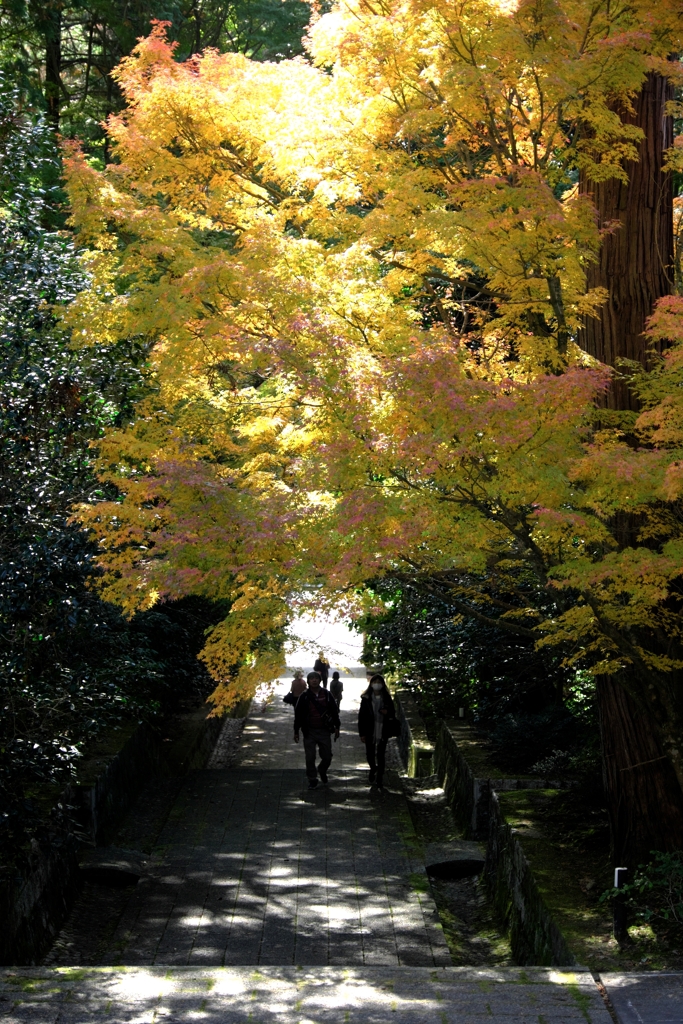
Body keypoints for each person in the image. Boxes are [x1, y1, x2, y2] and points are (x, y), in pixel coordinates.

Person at [294, 671, 340, 789]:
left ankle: (322, 769)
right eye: (311, 678)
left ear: (320, 680)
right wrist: (296, 731)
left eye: (316, 678)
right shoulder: (304, 696)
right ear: (308, 681)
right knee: (310, 756)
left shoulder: (327, 694)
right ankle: (312, 779)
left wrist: (337, 727)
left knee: (327, 756)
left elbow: (334, 711)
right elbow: (298, 714)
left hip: (324, 730)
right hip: (309, 731)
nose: (314, 680)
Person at [358, 674, 396, 790]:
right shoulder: (366, 698)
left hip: (383, 729)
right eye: (375, 682)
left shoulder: (387, 698)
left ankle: (380, 778)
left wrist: (387, 712)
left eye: (379, 682)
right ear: (371, 684)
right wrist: (362, 733)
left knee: (381, 754)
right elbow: (362, 716)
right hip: (370, 729)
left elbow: (393, 713)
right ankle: (373, 768)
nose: (377, 684)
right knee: (370, 753)